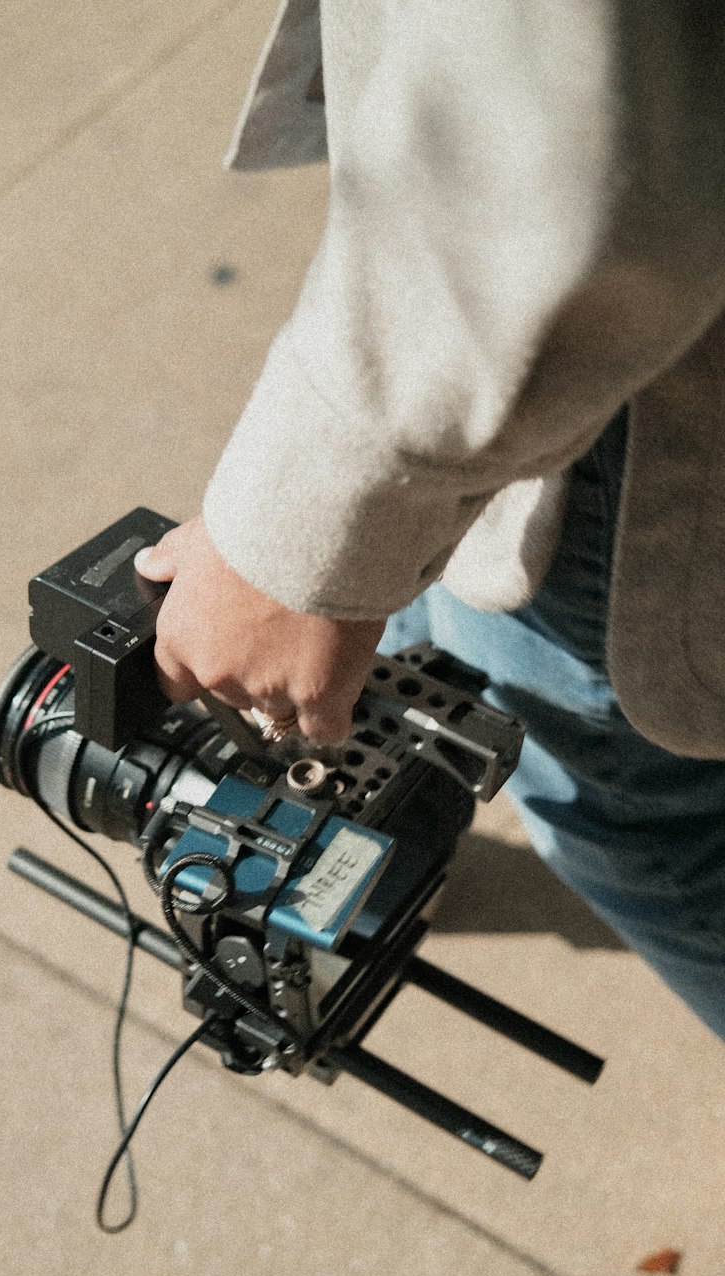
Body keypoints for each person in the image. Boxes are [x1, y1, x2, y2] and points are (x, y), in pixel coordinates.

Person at [134, 0, 725, 1034]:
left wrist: (297, 543)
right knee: (420, 650)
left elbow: (562, 159)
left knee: (641, 823)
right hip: (570, 331)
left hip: (613, 385)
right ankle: (376, 848)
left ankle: (380, 836)